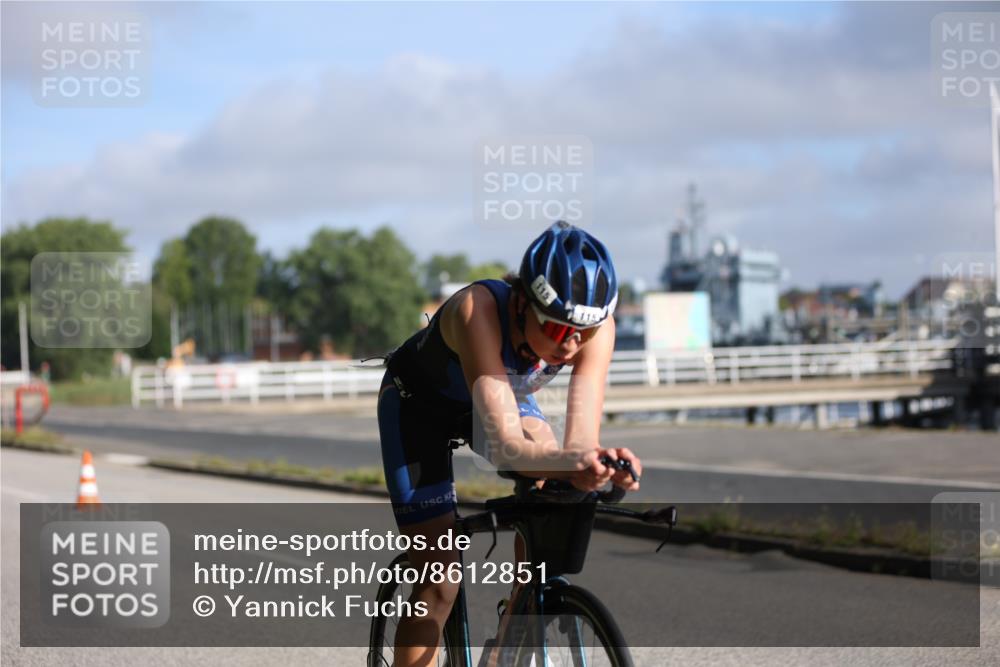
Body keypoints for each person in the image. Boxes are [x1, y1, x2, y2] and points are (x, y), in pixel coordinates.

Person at [377, 220, 642, 665]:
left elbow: (578, 443)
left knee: (555, 485)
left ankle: (511, 636)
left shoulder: (596, 329)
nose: (573, 344)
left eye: (587, 333)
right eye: (558, 329)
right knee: (439, 579)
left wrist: (598, 464)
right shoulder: (476, 310)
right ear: (522, 302)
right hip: (418, 410)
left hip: (499, 398)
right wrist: (573, 462)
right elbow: (506, 447)